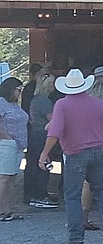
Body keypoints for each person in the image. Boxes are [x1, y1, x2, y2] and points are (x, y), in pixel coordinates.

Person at [37, 69, 103, 244]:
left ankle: (76, 238)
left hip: (75, 153)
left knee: (72, 195)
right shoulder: (98, 104)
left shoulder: (62, 105)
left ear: (67, 87)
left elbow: (55, 132)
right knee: (100, 189)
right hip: (98, 150)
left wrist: (44, 153)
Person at [25, 73, 57, 208]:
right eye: (52, 83)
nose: (54, 86)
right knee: (43, 164)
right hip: (42, 134)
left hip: (35, 134)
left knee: (34, 164)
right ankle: (40, 196)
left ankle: (35, 194)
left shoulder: (36, 99)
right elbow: (53, 120)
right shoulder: (44, 101)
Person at [0, 77, 29, 221]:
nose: (20, 92)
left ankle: (7, 209)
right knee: (4, 178)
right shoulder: (1, 103)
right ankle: (1, 210)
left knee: (11, 178)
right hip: (7, 144)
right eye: (18, 89)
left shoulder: (15, 105)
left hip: (18, 146)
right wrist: (6, 137)